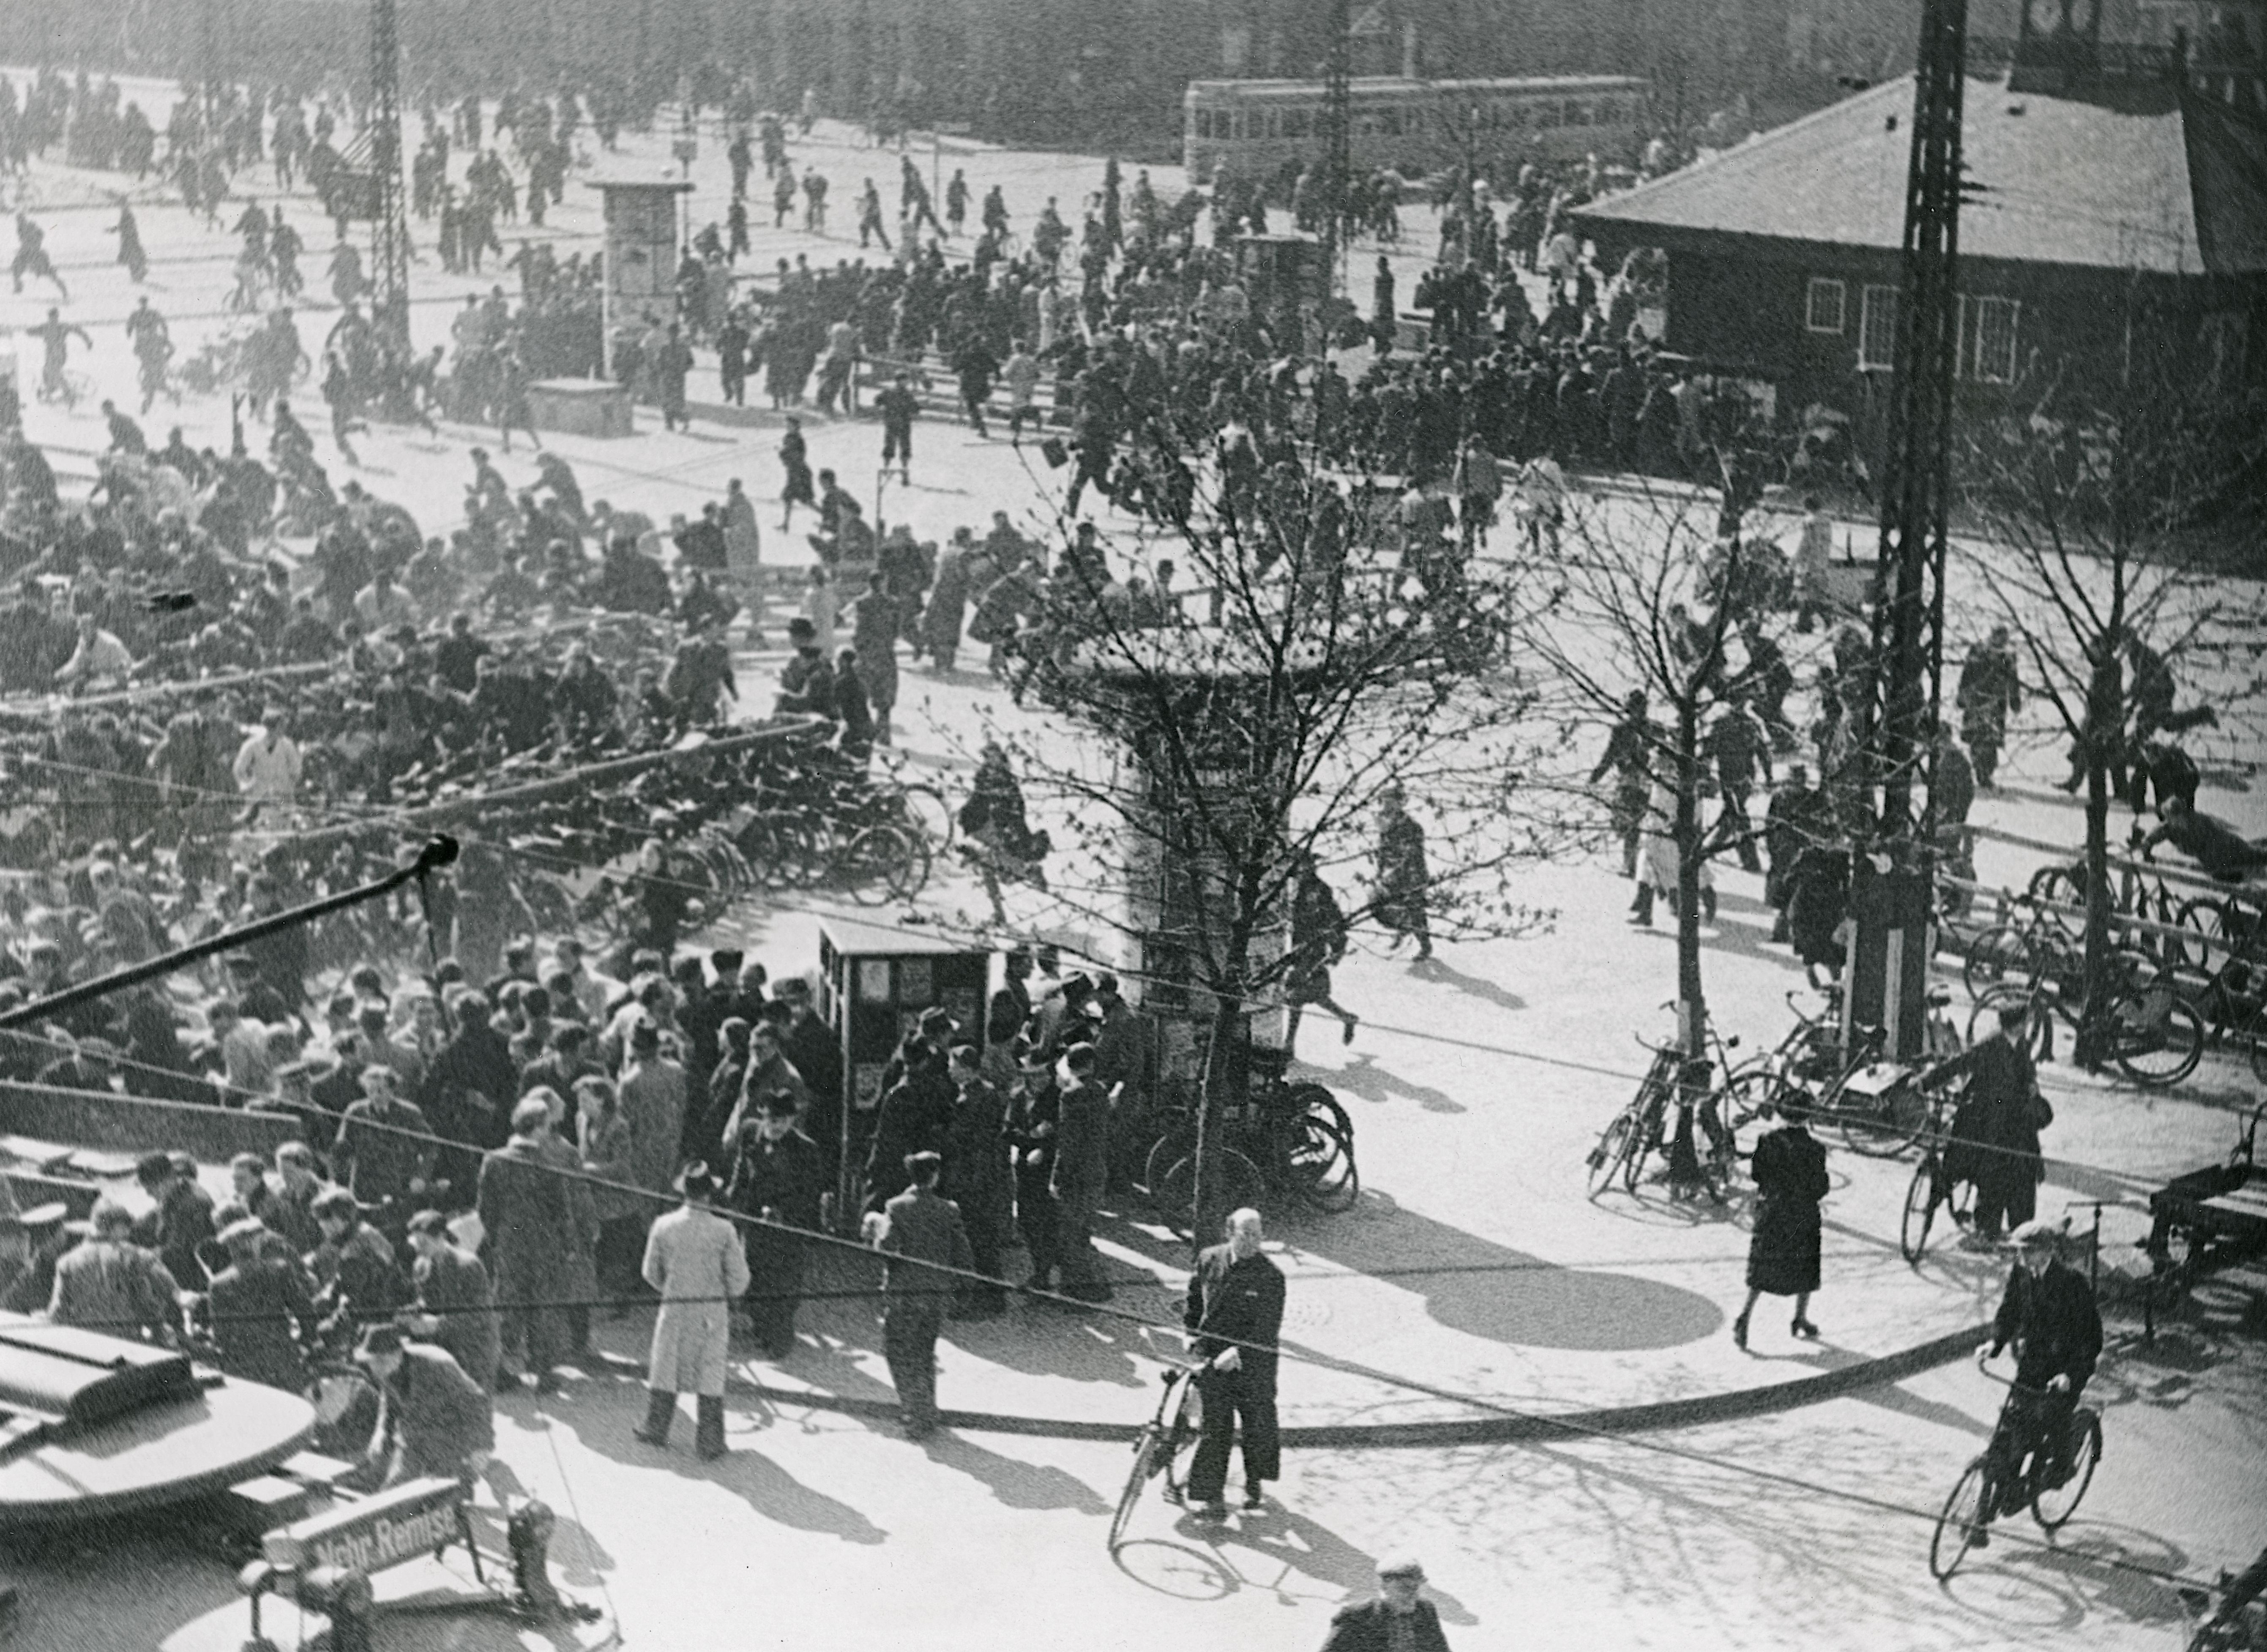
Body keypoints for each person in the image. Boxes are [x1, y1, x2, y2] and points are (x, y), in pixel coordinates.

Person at [1971, 1218, 2101, 1546]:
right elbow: (2009, 1311)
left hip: (2064, 1370)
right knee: (2011, 1431)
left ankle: (2060, 1467)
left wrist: (2070, 1375)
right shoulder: (2021, 1275)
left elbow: (2090, 1338)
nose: (2021, 1257)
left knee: (2052, 1418)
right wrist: (1995, 1343)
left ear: (2046, 1251)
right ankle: (1989, 1509)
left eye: (2027, 1251)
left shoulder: (2073, 1283)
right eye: (2019, 1251)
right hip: (2032, 1366)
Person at [634, 1163, 750, 1458]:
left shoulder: (663, 1225)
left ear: (684, 1191)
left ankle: (656, 1428)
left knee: (666, 1366)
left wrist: (671, 1287)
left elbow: (649, 1271)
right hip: (710, 1312)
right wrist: (725, 1294)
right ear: (710, 1193)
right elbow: (740, 1280)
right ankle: (710, 1442)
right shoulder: (724, 1230)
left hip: (675, 1307)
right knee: (710, 1371)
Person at [1183, 1207, 1285, 1518]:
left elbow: (1266, 1328)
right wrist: (1189, 1333)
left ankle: (1254, 1480)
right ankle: (1211, 1497)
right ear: (1230, 1232)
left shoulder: (1271, 1277)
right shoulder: (1209, 1258)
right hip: (1215, 1359)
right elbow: (1194, 1300)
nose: (1253, 1241)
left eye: (1258, 1235)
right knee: (1216, 1427)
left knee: (1257, 1424)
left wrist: (1239, 1352)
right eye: (1246, 1234)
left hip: (1253, 1363)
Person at [866, 1150, 973, 1441]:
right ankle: (927, 1410)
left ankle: (916, 1413)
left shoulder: (896, 1207)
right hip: (935, 1296)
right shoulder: (949, 1209)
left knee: (899, 1353)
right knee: (924, 1353)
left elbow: (887, 1248)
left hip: (904, 1295)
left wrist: (876, 1232)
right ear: (935, 1177)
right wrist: (962, 1288)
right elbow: (963, 1254)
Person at [475, 1096, 577, 1393]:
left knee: (507, 1304)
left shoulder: (494, 1160)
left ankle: (498, 1369)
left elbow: (485, 1207)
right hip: (544, 1244)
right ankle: (543, 1370)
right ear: (538, 1128)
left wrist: (497, 1236)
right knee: (542, 1306)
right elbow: (562, 1211)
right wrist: (569, 1245)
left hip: (509, 1241)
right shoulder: (550, 1164)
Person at [1931, 999, 2049, 1245]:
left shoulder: (2022, 1044)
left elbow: (2026, 1072)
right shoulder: (1989, 1046)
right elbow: (1958, 1064)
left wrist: (2032, 1086)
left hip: (2016, 1121)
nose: (2028, 1025)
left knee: (2023, 1174)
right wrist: (1925, 1082)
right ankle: (1988, 1230)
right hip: (1990, 1121)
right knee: (1993, 1176)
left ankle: (2021, 1230)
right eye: (2025, 1021)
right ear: (2017, 1025)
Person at [725, 1090, 828, 1359]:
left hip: (788, 1228)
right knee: (757, 1278)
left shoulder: (806, 1150)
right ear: (763, 1116)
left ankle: (781, 1340)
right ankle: (764, 1330)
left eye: (783, 1121)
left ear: (793, 1120)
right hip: (755, 1224)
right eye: (772, 1120)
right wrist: (732, 1204)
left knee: (784, 1284)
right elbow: (741, 1173)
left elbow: (810, 1194)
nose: (777, 1126)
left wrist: (783, 1212)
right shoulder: (751, 1134)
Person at [1732, 1096, 1829, 1348]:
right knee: (1805, 1266)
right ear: (1807, 1117)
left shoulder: (1767, 1141)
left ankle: (1745, 1316)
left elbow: (1757, 1174)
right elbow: (1821, 1187)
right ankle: (1800, 1317)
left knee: (1763, 1266)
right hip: (1803, 1213)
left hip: (1773, 1211)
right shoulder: (1816, 1148)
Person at [353, 1322, 494, 1493]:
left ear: (397, 1354)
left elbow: (477, 1401)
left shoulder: (437, 1364)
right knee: (395, 1491)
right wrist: (381, 1431)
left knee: (446, 1493)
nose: (376, 1368)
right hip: (413, 1436)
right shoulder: (386, 1369)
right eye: (371, 1362)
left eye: (381, 1361)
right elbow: (388, 1400)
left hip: (451, 1434)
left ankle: (460, 1483)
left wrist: (482, 1446)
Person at [204, 1217, 316, 1392]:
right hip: (281, 1357)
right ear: (255, 1243)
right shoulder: (279, 1269)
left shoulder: (218, 1284)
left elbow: (221, 1334)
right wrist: (306, 1341)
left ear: (231, 1249)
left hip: (244, 1366)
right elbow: (304, 1310)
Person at [49, 1198, 182, 1343]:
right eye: (125, 1227)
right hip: (128, 1343)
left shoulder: (66, 1262)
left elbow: (57, 1312)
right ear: (117, 1227)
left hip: (86, 1343)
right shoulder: (135, 1256)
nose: (128, 1233)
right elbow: (172, 1291)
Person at [404, 1208, 501, 1393]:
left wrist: (437, 1325)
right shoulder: (424, 1264)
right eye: (416, 1242)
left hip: (475, 1351)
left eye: (424, 1242)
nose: (419, 1248)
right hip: (449, 1348)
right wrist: (414, 1311)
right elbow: (429, 1301)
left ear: (441, 1237)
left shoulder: (467, 1265)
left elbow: (480, 1317)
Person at [1320, 1558, 1455, 1652]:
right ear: (1383, 1587)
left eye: (1416, 1588)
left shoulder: (1425, 1610)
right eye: (1404, 1589)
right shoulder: (1356, 1615)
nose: (1412, 1595)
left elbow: (1440, 1649)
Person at [1958, 627, 2022, 790]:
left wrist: (2015, 700)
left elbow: (2013, 679)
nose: (2002, 641)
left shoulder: (2008, 656)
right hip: (1977, 700)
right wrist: (1962, 695)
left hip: (1996, 704)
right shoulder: (1979, 650)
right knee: (1977, 737)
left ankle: (1985, 773)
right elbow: (1967, 674)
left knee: (1990, 739)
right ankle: (1981, 772)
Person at [1375, 784, 1433, 959]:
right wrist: (1381, 871)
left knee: (1416, 911)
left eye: (1391, 803)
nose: (1386, 806)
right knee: (1392, 906)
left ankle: (1425, 945)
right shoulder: (1386, 825)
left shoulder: (1411, 827)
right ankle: (1402, 932)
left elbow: (1412, 856)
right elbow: (1383, 852)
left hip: (1412, 875)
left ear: (1400, 804)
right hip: (1393, 875)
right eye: (1384, 802)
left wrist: (1395, 870)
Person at [877, 373, 918, 485]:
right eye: (906, 380)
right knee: (904, 447)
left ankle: (887, 469)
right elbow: (915, 409)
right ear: (900, 381)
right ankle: (903, 471)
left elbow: (878, 401)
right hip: (903, 424)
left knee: (890, 445)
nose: (908, 382)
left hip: (892, 423)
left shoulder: (888, 391)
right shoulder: (907, 394)